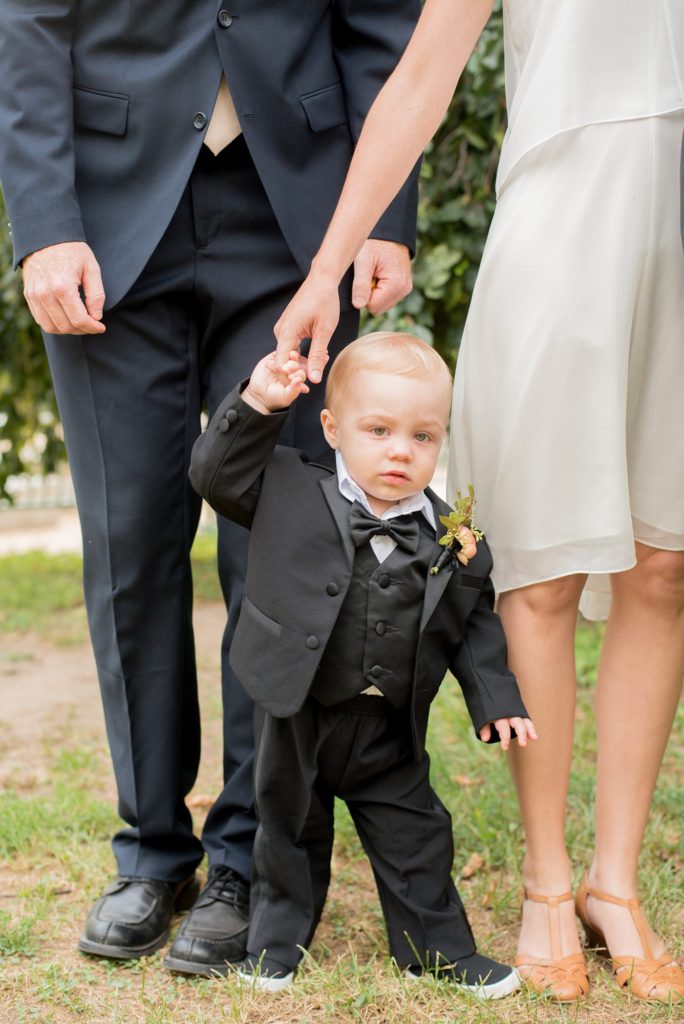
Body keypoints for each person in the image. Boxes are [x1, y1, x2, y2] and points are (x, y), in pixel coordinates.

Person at [270, 0, 684, 1005]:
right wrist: (330, 265)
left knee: (668, 565)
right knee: (538, 567)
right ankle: (546, 879)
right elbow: (419, 79)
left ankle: (613, 883)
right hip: (564, 216)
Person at [0, 0, 422, 974]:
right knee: (131, 541)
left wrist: (384, 218)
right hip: (107, 218)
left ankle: (249, 857)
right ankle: (153, 850)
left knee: (279, 551)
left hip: (303, 224)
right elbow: (27, 19)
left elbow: (380, 28)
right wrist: (46, 224)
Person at [188, 331, 536, 996]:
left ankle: (436, 950)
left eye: (423, 436)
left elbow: (475, 626)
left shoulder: (455, 540)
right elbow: (214, 476)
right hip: (298, 709)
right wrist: (259, 403)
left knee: (419, 836)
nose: (401, 450)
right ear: (333, 427)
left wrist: (497, 700)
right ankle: (274, 945)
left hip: (386, 728)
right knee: (286, 827)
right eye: (378, 429)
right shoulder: (286, 487)